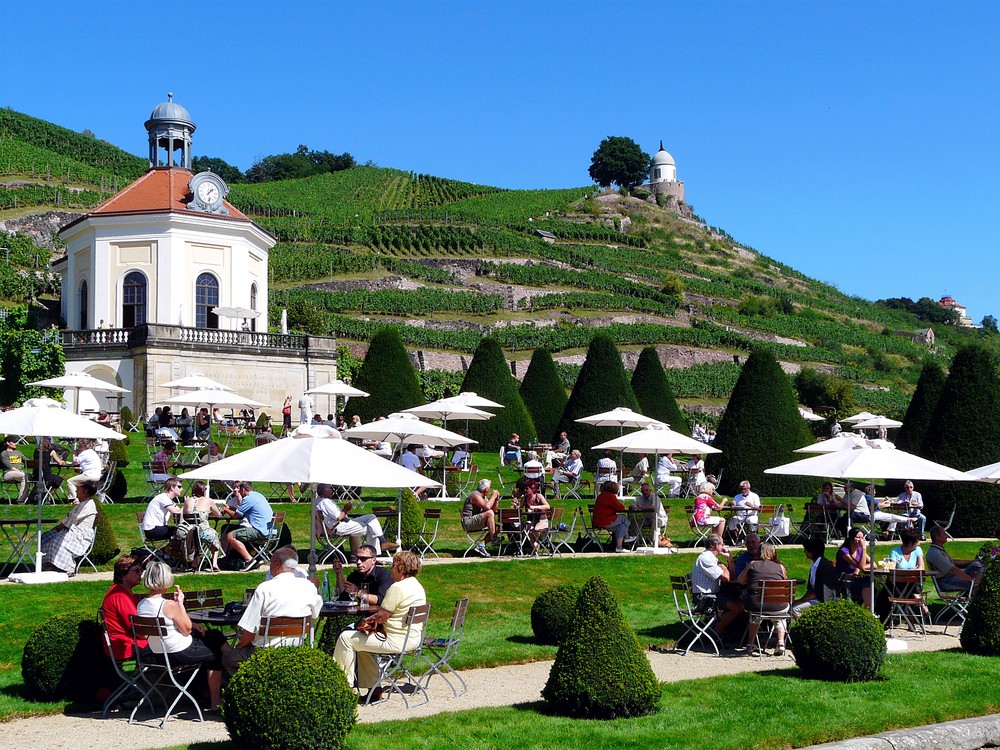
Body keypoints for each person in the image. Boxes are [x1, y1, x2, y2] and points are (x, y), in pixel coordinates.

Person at [333, 551, 427, 703]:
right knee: (360, 641)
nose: (391, 568)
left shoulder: (397, 588)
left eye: (394, 565)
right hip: (412, 639)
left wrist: (362, 623)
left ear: (401, 569)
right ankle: (374, 691)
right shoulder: (417, 586)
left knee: (345, 638)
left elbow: (381, 616)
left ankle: (341, 687)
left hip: (395, 640)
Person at [222, 547, 323, 677]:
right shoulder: (308, 586)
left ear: (276, 564)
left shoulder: (265, 588)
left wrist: (240, 647)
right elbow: (315, 613)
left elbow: (249, 631)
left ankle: (250, 686)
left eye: (270, 562)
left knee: (228, 659)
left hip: (264, 651)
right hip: (295, 648)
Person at [138, 561, 222, 710]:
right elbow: (187, 630)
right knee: (214, 653)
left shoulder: (142, 604)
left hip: (159, 655)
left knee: (211, 637)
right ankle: (215, 701)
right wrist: (180, 604)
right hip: (180, 653)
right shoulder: (168, 605)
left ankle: (205, 692)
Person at [314, 483, 397, 558]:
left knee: (371, 517)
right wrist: (346, 509)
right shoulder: (325, 502)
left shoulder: (319, 501)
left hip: (343, 523)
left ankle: (381, 542)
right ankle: (373, 555)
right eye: (330, 489)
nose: (332, 491)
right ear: (324, 490)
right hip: (340, 527)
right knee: (371, 528)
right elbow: (339, 517)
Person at [691, 534, 744, 647]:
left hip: (710, 596)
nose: (724, 546)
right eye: (722, 544)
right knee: (737, 607)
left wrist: (729, 559)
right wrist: (723, 565)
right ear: (716, 545)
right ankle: (715, 634)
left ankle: (720, 632)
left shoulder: (711, 558)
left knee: (739, 604)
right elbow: (727, 577)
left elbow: (731, 575)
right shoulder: (706, 559)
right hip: (704, 599)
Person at [738, 543, 789, 655]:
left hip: (757, 606)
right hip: (778, 607)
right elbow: (784, 581)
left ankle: (750, 644)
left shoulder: (752, 564)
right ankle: (781, 642)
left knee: (755, 616)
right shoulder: (780, 567)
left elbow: (740, 580)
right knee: (779, 615)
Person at [40, 478, 100, 573]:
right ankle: (49, 563)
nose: (76, 490)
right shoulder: (82, 503)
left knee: (59, 541)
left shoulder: (88, 505)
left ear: (85, 492)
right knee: (46, 537)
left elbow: (71, 520)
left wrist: (58, 527)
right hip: (72, 530)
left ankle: (68, 566)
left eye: (79, 489)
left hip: (80, 534)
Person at [100, 555, 148, 662]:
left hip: (125, 642)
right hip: (125, 645)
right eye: (136, 571)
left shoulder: (120, 591)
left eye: (141, 570)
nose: (140, 573)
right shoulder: (121, 596)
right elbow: (137, 629)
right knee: (169, 645)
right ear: (123, 574)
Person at [221, 481, 275, 570]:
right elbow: (241, 512)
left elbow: (236, 516)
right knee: (238, 532)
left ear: (243, 489)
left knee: (230, 535)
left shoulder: (248, 499)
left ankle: (248, 559)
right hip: (270, 531)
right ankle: (256, 558)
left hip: (260, 532)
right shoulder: (258, 496)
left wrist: (226, 510)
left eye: (239, 489)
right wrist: (230, 508)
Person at [179, 481, 224, 571]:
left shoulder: (188, 500)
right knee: (214, 536)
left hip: (188, 532)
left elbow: (184, 513)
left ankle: (194, 560)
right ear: (204, 491)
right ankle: (214, 563)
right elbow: (218, 514)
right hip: (202, 532)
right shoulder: (208, 501)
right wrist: (207, 513)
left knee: (207, 535)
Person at [792, 538, 840, 618]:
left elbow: (821, 591)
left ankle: (803, 627)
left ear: (812, 552)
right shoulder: (814, 565)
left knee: (794, 609)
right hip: (816, 597)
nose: (804, 552)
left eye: (806, 550)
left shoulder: (824, 566)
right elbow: (810, 588)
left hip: (824, 599)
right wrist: (801, 599)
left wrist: (802, 600)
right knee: (792, 606)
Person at [926, 525, 983, 591]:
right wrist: (970, 579)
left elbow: (953, 562)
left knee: (976, 565)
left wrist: (971, 561)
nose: (946, 536)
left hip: (951, 577)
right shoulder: (935, 553)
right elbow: (953, 569)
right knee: (977, 583)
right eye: (944, 534)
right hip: (946, 581)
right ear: (937, 537)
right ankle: (976, 595)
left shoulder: (938, 550)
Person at [461, 478, 500, 557]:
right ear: (486, 489)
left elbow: (493, 510)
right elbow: (487, 507)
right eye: (489, 488)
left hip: (475, 521)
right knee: (489, 513)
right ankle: (494, 538)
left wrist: (496, 499)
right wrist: (493, 495)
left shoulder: (483, 497)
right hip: (468, 522)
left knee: (497, 528)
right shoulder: (475, 496)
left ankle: (481, 545)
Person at [837, 527, 873, 609]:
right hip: (844, 580)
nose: (860, 540)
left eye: (862, 538)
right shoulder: (844, 551)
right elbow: (862, 566)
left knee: (870, 584)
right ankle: (868, 610)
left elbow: (873, 564)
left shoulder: (859, 550)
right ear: (851, 538)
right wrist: (864, 548)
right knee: (867, 585)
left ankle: (869, 611)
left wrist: (858, 569)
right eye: (857, 537)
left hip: (855, 579)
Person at [593, 481, 633, 553]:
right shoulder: (609, 496)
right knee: (623, 517)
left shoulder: (602, 495)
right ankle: (627, 536)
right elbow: (620, 508)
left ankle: (619, 547)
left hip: (598, 521)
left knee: (621, 526)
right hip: (604, 520)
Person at [141, 476, 183, 541]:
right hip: (152, 530)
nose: (182, 489)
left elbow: (180, 511)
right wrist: (187, 504)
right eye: (179, 487)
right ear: (172, 487)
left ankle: (167, 550)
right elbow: (176, 513)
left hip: (158, 528)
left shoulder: (168, 500)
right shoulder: (163, 498)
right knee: (181, 532)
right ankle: (171, 550)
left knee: (182, 531)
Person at [519, 481, 550, 552]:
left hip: (541, 520)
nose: (525, 490)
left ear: (532, 489)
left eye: (527, 489)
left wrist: (537, 507)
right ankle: (535, 546)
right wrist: (516, 505)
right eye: (525, 489)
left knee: (536, 529)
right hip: (530, 520)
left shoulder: (538, 496)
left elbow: (547, 506)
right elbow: (519, 509)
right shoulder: (524, 498)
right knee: (528, 529)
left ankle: (534, 545)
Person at [1, 435, 29, 503]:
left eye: (16, 442)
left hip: (19, 474)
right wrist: (19, 471)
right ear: (8, 443)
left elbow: (27, 461)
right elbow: (8, 465)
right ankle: (21, 499)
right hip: (8, 474)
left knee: (30, 477)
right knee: (24, 476)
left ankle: (23, 498)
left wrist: (37, 463)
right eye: (14, 442)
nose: (16, 443)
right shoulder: (4, 454)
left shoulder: (18, 452)